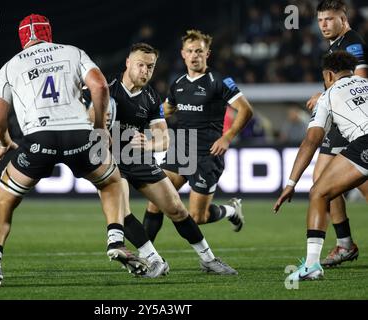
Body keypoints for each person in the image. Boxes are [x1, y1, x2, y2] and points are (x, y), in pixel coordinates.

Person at [0, 14, 147, 288]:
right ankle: (115, 240)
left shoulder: (9, 67)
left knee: (4, 200)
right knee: (111, 182)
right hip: (79, 135)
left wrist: (4, 141)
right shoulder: (73, 53)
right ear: (48, 33)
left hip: (39, 138)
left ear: (23, 39)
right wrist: (99, 128)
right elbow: (98, 87)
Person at [89, 42, 238, 275]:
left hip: (138, 159)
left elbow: (164, 139)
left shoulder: (151, 96)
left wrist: (149, 143)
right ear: (128, 63)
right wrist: (99, 127)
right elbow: (88, 121)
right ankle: (154, 259)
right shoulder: (107, 90)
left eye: (150, 67)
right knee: (122, 212)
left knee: (177, 209)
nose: (145, 71)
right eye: (140, 65)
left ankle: (208, 260)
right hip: (110, 162)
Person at [143, 30, 253, 242]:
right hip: (181, 150)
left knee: (197, 216)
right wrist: (140, 118)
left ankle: (230, 211)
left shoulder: (220, 81)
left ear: (207, 54)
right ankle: (145, 256)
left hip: (207, 154)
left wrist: (227, 137)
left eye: (199, 51)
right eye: (190, 51)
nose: (194, 55)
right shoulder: (178, 83)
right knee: (156, 201)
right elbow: (166, 110)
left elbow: (246, 110)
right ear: (183, 54)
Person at [274, 51, 368, 281]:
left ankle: (312, 265)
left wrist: (291, 183)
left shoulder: (328, 96)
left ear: (328, 75)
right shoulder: (365, 83)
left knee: (319, 192)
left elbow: (311, 141)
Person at [305, 0, 368, 267]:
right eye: (321, 21)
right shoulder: (336, 45)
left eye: (330, 19)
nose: (324, 25)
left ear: (344, 19)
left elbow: (362, 78)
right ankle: (344, 244)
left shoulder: (352, 42)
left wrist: (327, 93)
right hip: (343, 121)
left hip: (352, 121)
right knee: (323, 184)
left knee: (323, 185)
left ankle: (344, 245)